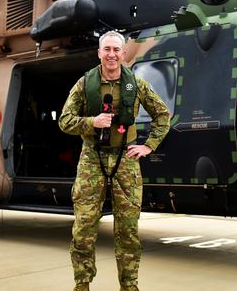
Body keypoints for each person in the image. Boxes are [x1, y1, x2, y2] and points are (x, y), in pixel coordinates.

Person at [59, 30, 170, 291]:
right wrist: (91, 122)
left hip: (125, 158)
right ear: (99, 53)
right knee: (84, 228)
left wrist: (148, 146)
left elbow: (162, 116)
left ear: (123, 53)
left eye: (116, 50)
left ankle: (129, 285)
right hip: (92, 159)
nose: (111, 55)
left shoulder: (137, 85)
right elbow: (64, 121)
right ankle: (82, 284)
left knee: (128, 229)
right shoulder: (85, 84)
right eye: (106, 49)